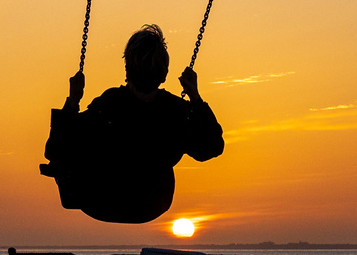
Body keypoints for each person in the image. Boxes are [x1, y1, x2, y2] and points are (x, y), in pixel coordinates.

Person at [42, 24, 224, 224]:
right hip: (152, 204)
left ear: (127, 69)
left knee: (72, 147)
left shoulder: (108, 105)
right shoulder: (177, 112)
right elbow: (212, 147)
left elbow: (54, 151)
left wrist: (73, 102)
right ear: (164, 74)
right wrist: (195, 97)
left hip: (102, 203)